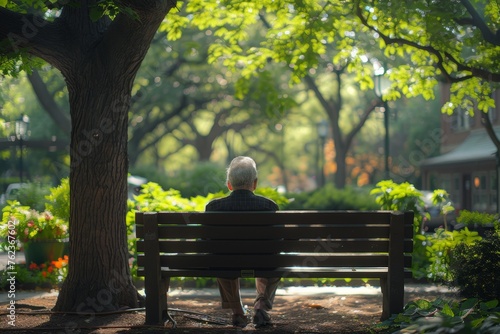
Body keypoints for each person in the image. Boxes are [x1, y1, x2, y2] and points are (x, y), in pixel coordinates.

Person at [205, 156, 280, 328]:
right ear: (254, 183)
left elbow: (207, 242)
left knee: (220, 259)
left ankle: (238, 311)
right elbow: (276, 243)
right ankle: (261, 305)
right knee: (274, 260)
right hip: (263, 262)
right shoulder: (269, 206)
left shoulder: (213, 208)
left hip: (226, 263)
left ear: (229, 184)